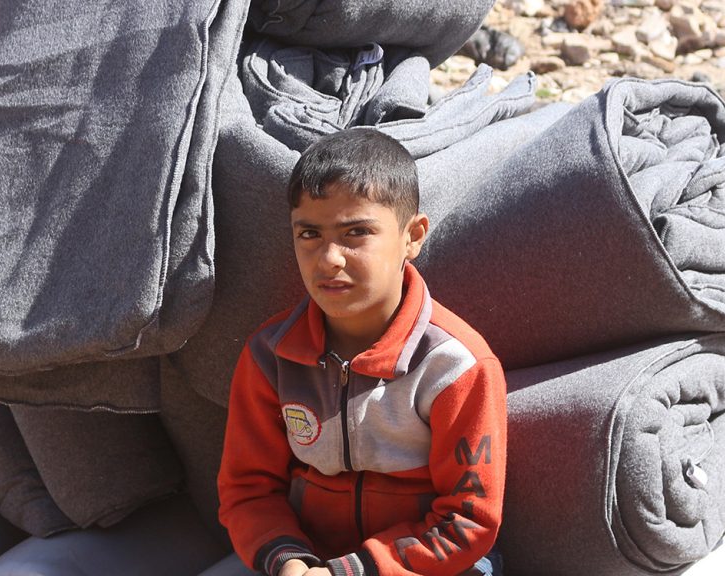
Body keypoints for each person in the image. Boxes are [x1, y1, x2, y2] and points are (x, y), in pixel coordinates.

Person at [216, 128, 507, 576]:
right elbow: (248, 490)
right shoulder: (270, 356)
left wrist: (351, 572)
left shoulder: (455, 367)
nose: (329, 258)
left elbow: (467, 521)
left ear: (413, 236)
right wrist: (289, 560)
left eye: (356, 232)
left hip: (426, 565)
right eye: (309, 233)